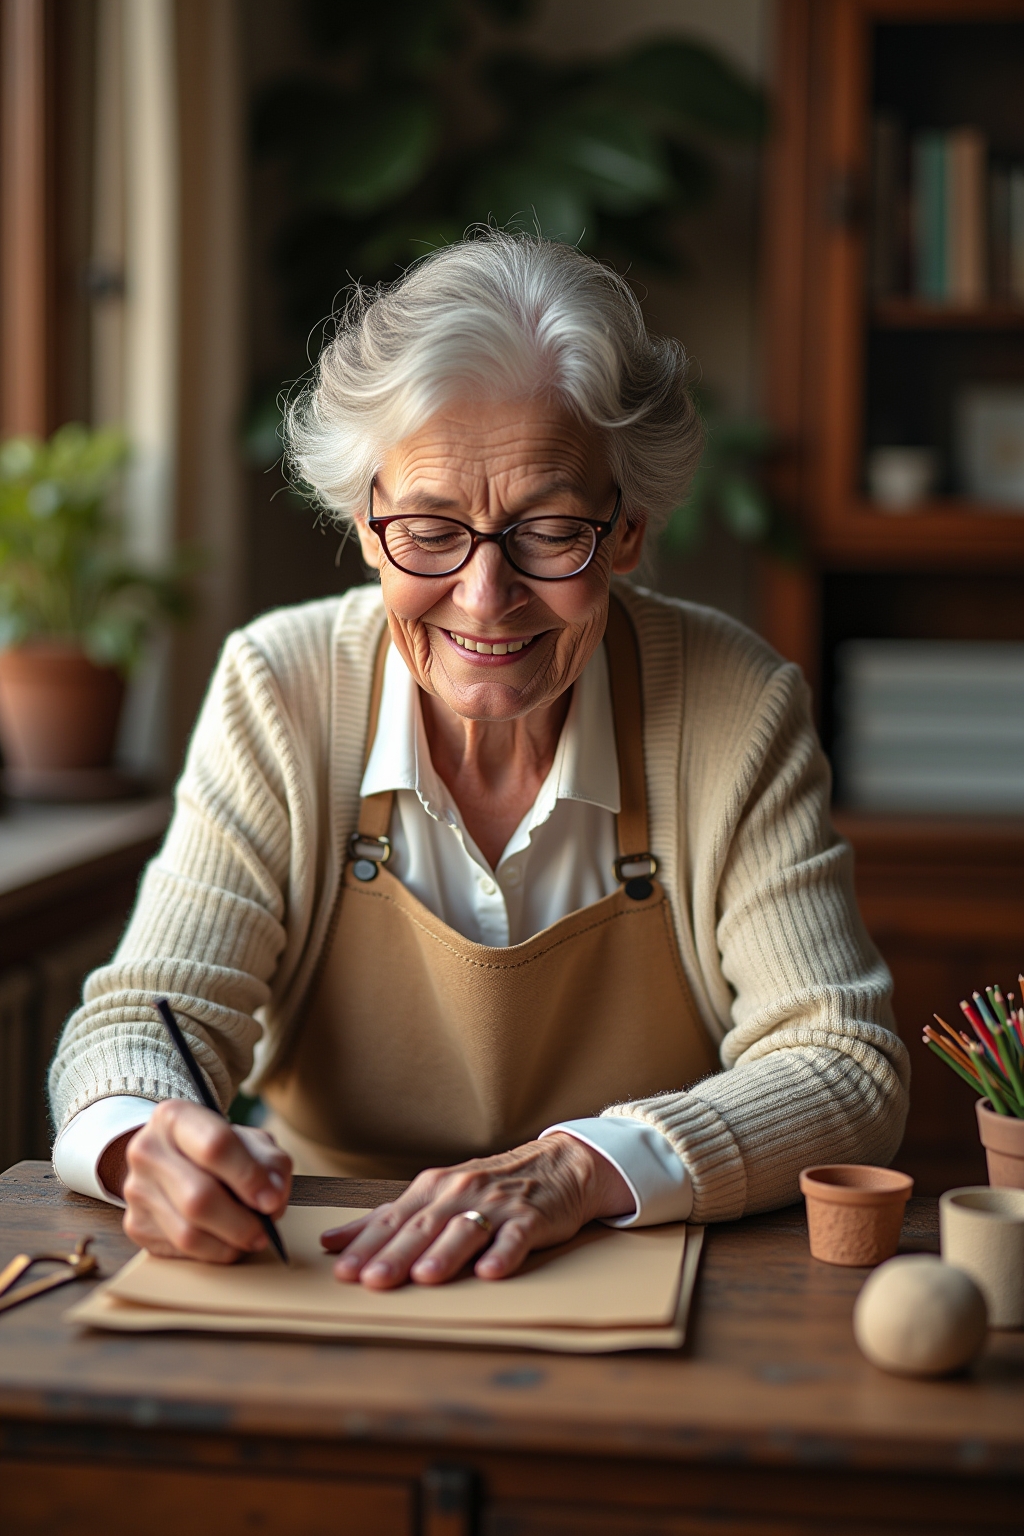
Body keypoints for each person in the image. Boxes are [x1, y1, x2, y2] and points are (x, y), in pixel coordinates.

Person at [49, 233, 909, 1290]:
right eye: (429, 528)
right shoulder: (281, 687)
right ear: (366, 527)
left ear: (627, 530)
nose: (483, 595)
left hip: (625, 1258)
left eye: (548, 531)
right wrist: (147, 1145)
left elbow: (843, 1064)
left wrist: (578, 1167)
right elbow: (141, 1018)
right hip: (320, 1259)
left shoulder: (735, 703)